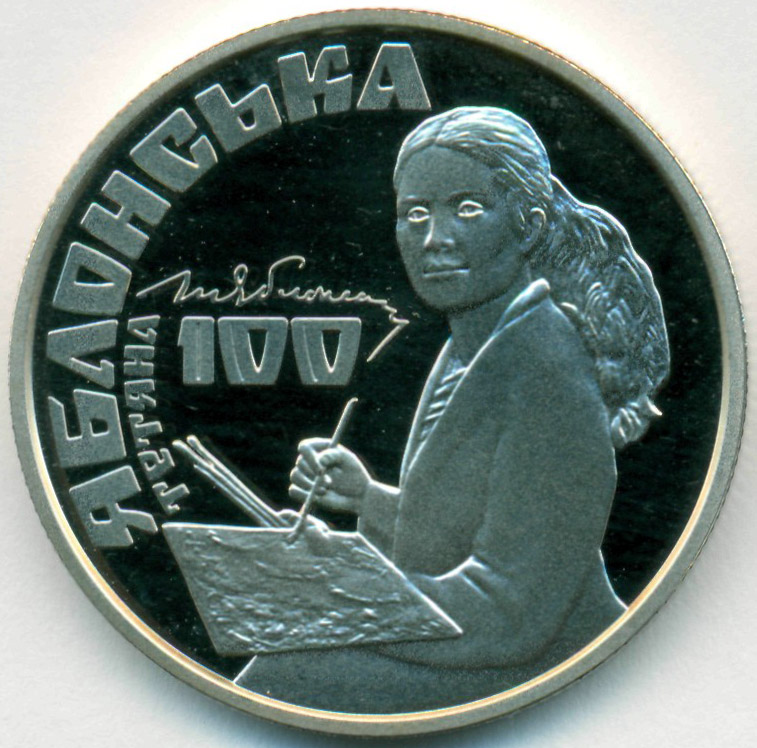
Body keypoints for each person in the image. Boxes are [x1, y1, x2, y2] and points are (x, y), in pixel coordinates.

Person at [235, 107, 670, 712]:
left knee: (285, 673)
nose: (434, 238)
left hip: (562, 676)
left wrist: (339, 588)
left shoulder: (545, 366)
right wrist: (368, 501)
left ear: (528, 226)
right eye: (415, 214)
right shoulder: (474, 345)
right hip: (501, 647)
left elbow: (507, 609)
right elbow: (476, 530)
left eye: (467, 209)